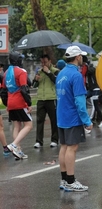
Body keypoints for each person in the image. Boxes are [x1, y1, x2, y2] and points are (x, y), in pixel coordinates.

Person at [56, 46, 93, 192]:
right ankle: (71, 181)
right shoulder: (76, 75)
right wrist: (87, 121)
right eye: (81, 56)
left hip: (61, 115)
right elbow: (80, 102)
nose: (82, 58)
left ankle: (64, 179)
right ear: (78, 57)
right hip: (72, 117)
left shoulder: (61, 73)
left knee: (64, 146)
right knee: (72, 148)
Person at [2, 51, 33, 159]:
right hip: (20, 102)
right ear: (18, 60)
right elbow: (24, 89)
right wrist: (29, 103)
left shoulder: (6, 73)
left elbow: (3, 91)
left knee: (17, 126)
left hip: (11, 102)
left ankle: (18, 151)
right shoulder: (21, 72)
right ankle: (14, 145)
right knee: (29, 125)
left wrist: (7, 104)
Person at [32, 54, 59, 148]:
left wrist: (48, 72)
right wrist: (35, 80)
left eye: (45, 62)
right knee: (39, 120)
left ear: (50, 61)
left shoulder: (55, 71)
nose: (43, 64)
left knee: (54, 120)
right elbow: (34, 85)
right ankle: (39, 141)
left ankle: (54, 140)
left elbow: (57, 81)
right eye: (42, 62)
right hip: (41, 99)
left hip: (51, 98)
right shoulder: (39, 71)